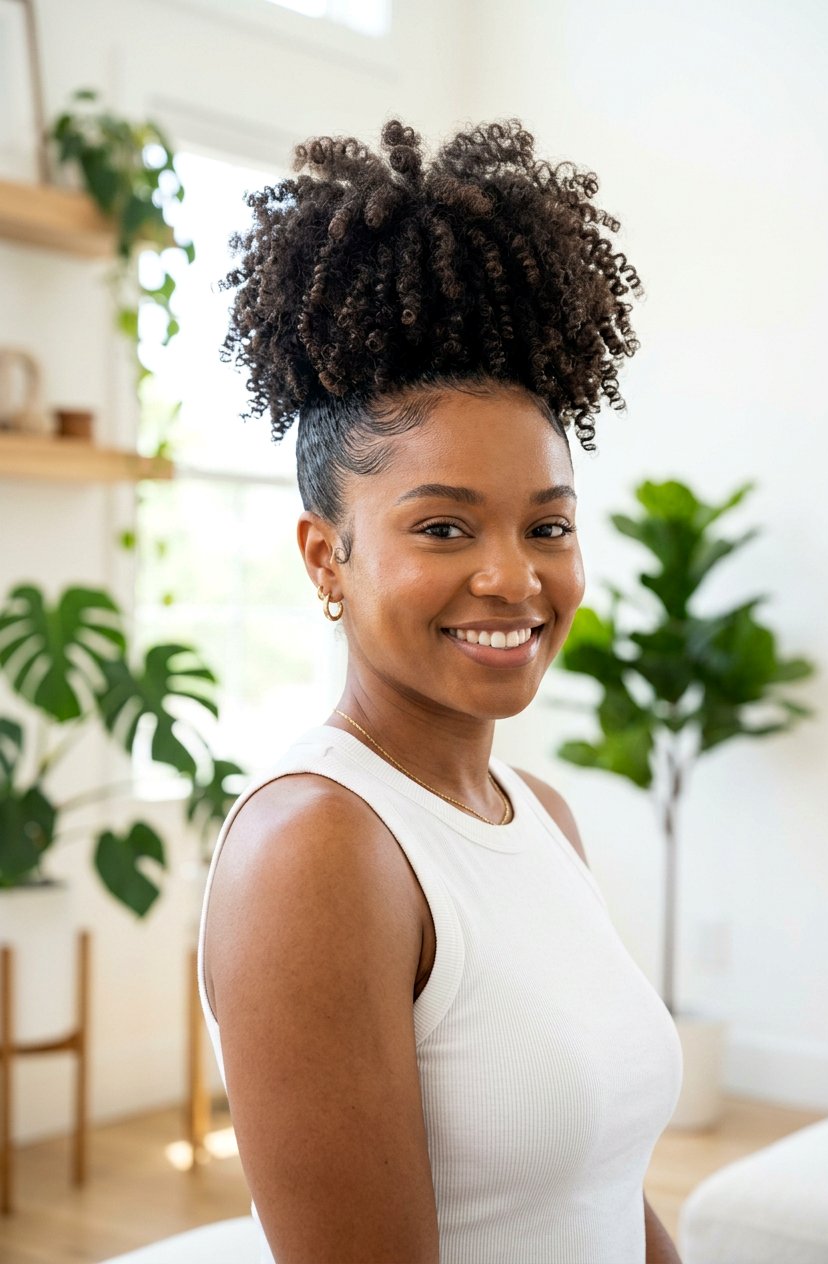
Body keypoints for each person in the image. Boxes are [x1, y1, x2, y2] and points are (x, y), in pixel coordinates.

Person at [196, 117, 684, 1264]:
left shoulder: (540, 815)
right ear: (326, 556)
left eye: (547, 526)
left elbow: (607, 1192)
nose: (513, 577)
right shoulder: (315, 849)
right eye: (443, 528)